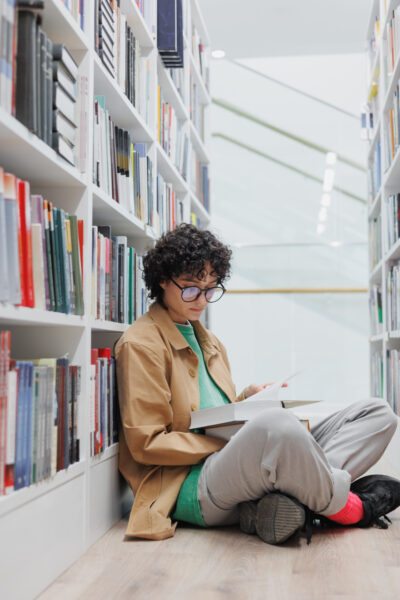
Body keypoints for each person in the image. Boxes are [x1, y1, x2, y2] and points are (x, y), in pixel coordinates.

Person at [115, 223, 400, 544]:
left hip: (231, 465)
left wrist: (246, 398)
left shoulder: (208, 341)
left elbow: (207, 412)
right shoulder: (141, 344)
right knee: (277, 427)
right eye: (192, 288)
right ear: (163, 280)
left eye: (211, 289)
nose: (203, 300)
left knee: (378, 414)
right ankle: (352, 508)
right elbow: (147, 444)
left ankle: (299, 499)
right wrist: (233, 441)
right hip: (187, 484)